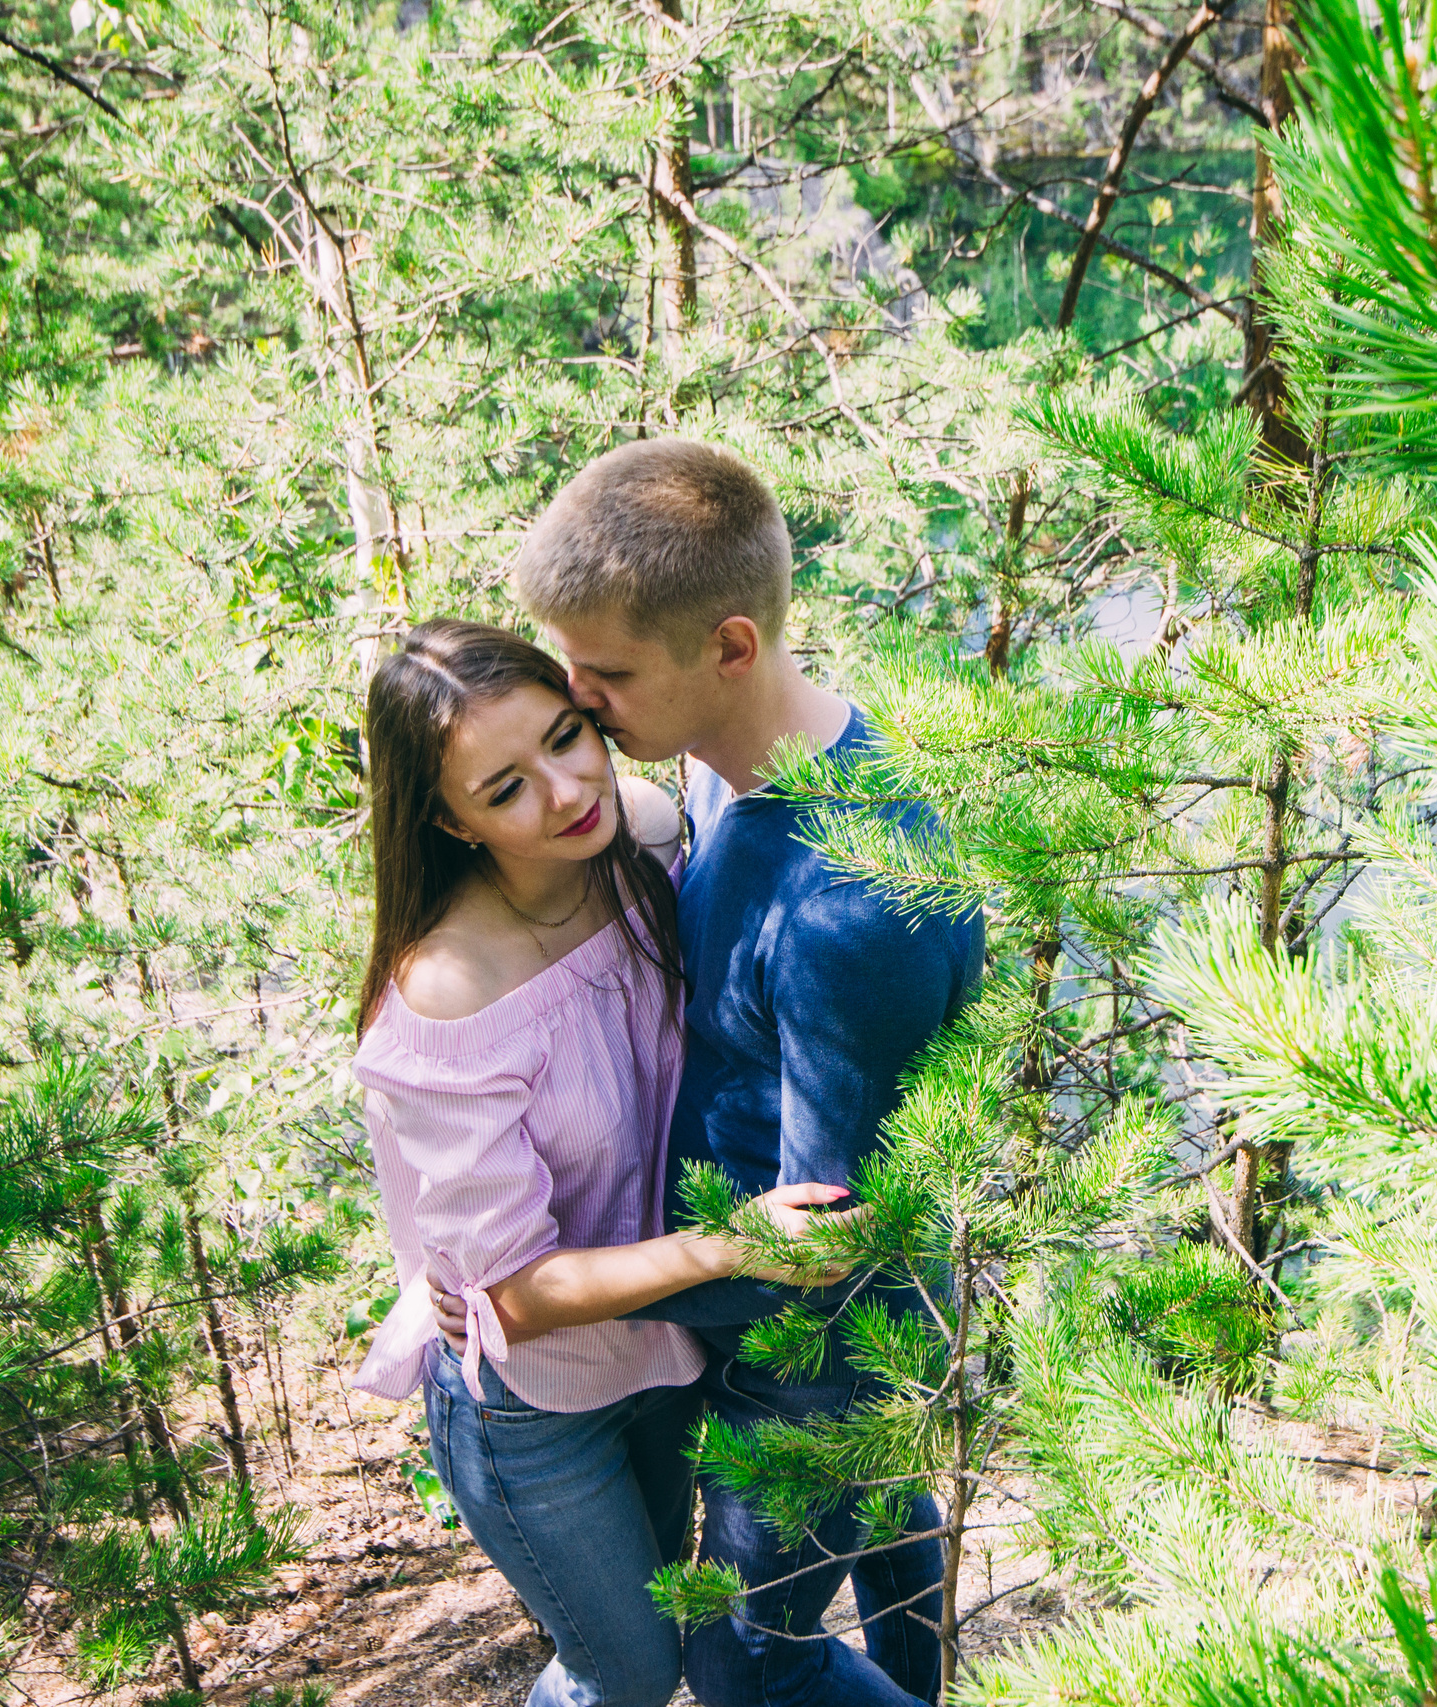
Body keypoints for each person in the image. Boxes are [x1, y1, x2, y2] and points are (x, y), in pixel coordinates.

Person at [438, 439, 987, 1707]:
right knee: (894, 1550)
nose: (577, 702)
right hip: (780, 1320)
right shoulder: (738, 757)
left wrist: (551, 1291)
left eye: (608, 673)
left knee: (750, 1663)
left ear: (729, 648)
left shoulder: (851, 900)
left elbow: (822, 1237)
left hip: (814, 1347)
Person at [348, 619, 848, 1707]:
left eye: (569, 737)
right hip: (540, 1405)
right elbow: (514, 1299)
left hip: (666, 1344)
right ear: (448, 819)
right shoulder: (447, 993)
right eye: (506, 788)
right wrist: (738, 1241)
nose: (568, 789)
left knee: (679, 1631)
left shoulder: (648, 839)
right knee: (623, 1672)